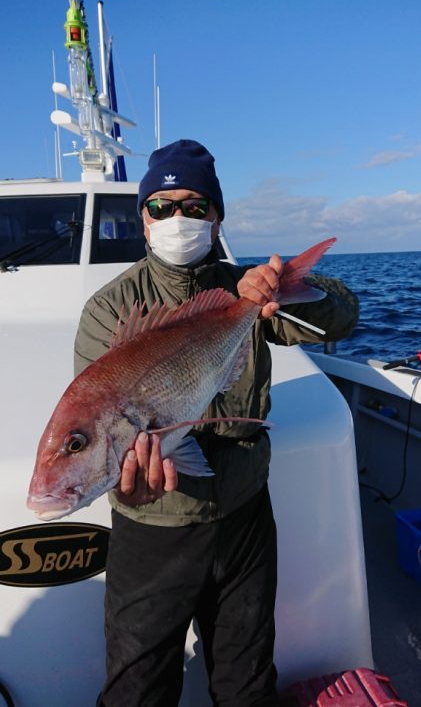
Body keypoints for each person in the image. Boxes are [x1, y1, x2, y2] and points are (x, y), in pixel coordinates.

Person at [74, 139, 359, 707]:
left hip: (245, 513)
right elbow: (95, 418)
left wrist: (282, 287)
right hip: (153, 527)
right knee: (137, 690)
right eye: (161, 206)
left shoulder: (244, 290)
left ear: (217, 218)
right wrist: (126, 483)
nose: (177, 218)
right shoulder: (110, 308)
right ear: (144, 221)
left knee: (247, 682)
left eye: (194, 206)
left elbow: (343, 317)